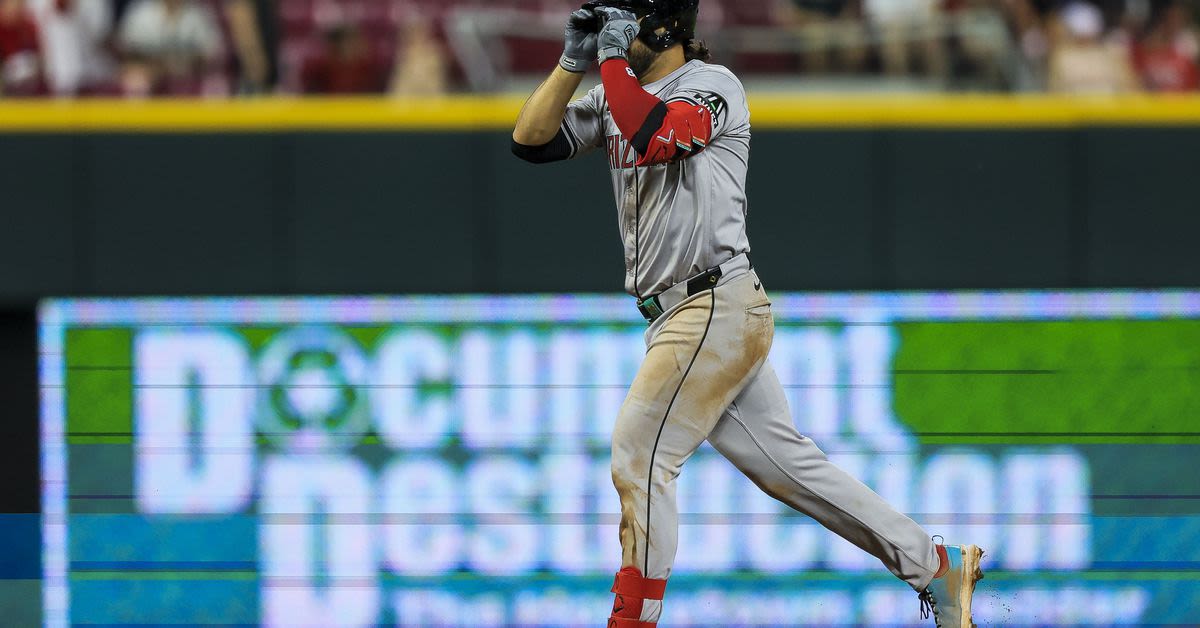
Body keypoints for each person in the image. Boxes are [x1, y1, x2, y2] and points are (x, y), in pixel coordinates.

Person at [510, 2, 983, 626]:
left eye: (630, 19)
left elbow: (657, 136)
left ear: (663, 27)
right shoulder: (613, 92)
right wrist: (574, 62)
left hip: (711, 300)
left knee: (639, 454)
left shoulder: (714, 85)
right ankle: (935, 565)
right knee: (789, 469)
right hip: (685, 314)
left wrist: (614, 67)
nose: (615, 36)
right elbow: (530, 142)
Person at [116, 0, 222, 96]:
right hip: (150, 73)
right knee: (134, 79)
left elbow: (211, 53)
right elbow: (128, 52)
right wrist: (157, 65)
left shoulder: (197, 13)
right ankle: (138, 117)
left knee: (216, 82)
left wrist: (179, 62)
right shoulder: (142, 12)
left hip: (188, 73)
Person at [0, 0, 44, 96]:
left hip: (33, 87)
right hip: (9, 89)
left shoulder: (30, 26)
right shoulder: (2, 31)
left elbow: (39, 57)